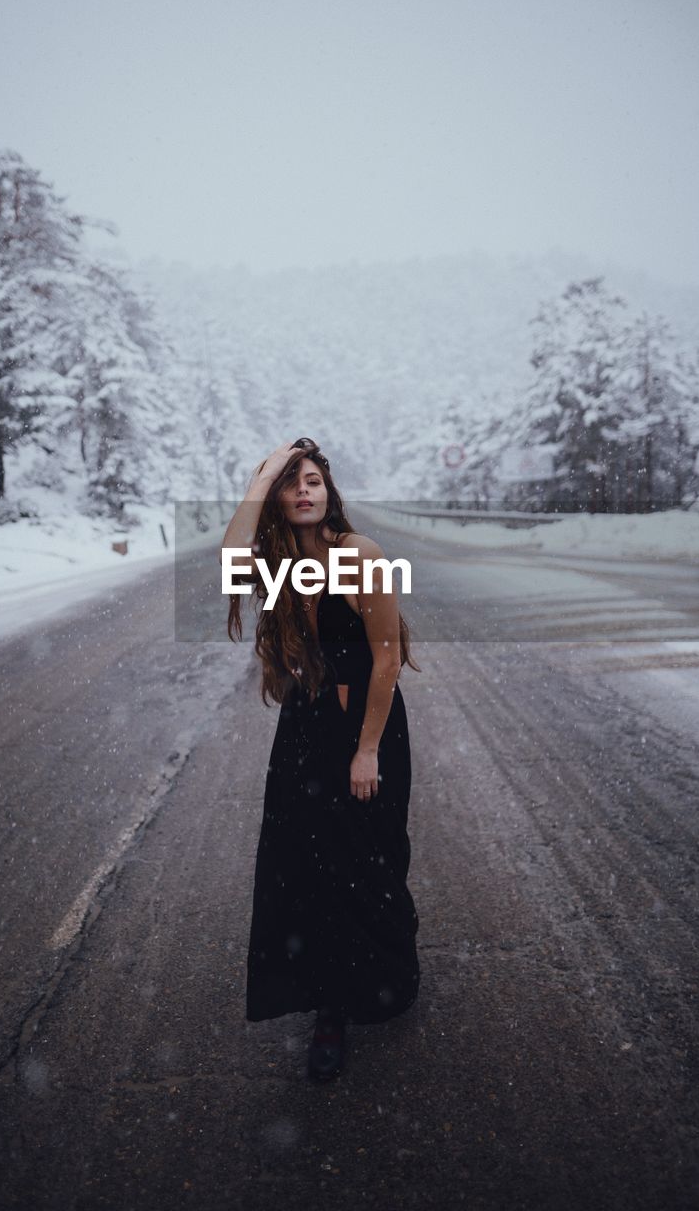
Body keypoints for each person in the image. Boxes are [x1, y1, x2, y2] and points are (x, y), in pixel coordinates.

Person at [220, 437, 422, 1081]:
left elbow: (386, 659)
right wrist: (256, 483)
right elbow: (228, 564)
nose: (303, 491)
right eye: (290, 484)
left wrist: (365, 751)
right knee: (307, 864)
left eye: (312, 481)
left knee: (371, 855)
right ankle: (328, 1007)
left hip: (368, 727)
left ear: (329, 493)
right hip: (305, 728)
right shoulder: (280, 561)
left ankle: (382, 974)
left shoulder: (358, 554)